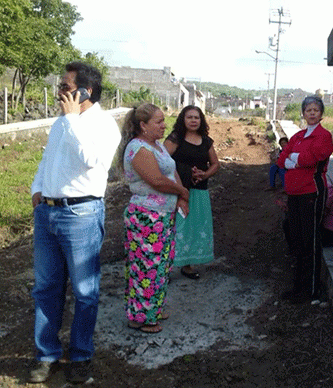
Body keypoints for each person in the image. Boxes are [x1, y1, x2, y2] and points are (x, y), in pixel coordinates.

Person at [28, 62, 121, 384]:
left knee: (84, 292)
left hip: (80, 215)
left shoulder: (104, 125)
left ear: (86, 91)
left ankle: (81, 356)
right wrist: (37, 188)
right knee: (46, 289)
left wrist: (70, 121)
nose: (59, 91)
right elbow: (47, 159)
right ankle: (46, 354)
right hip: (48, 214)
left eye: (65, 86)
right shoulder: (60, 124)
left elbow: (90, 160)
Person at [119, 103, 189, 334]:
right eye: (158, 122)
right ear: (143, 126)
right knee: (146, 267)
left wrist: (180, 195)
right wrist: (182, 192)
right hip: (147, 217)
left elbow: (171, 171)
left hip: (162, 216)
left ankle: (153, 309)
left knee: (161, 265)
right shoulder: (138, 148)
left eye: (163, 120)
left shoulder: (156, 145)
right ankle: (142, 318)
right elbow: (157, 180)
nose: (163, 125)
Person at [277, 96, 333, 303]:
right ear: (303, 113)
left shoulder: (324, 136)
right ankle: (297, 287)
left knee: (310, 240)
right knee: (297, 239)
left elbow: (312, 159)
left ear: (321, 113)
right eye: (308, 110)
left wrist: (296, 159)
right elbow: (282, 160)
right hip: (294, 193)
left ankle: (311, 290)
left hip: (312, 192)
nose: (311, 113)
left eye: (315, 110)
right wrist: (295, 160)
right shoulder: (298, 136)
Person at [164, 105, 219, 279]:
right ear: (183, 119)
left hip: (199, 192)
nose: (194, 120)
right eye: (190, 117)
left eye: (197, 117)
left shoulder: (206, 140)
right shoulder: (175, 138)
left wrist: (204, 175)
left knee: (192, 229)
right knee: (175, 227)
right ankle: (164, 270)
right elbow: (163, 161)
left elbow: (215, 164)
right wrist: (184, 173)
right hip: (177, 192)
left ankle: (187, 266)